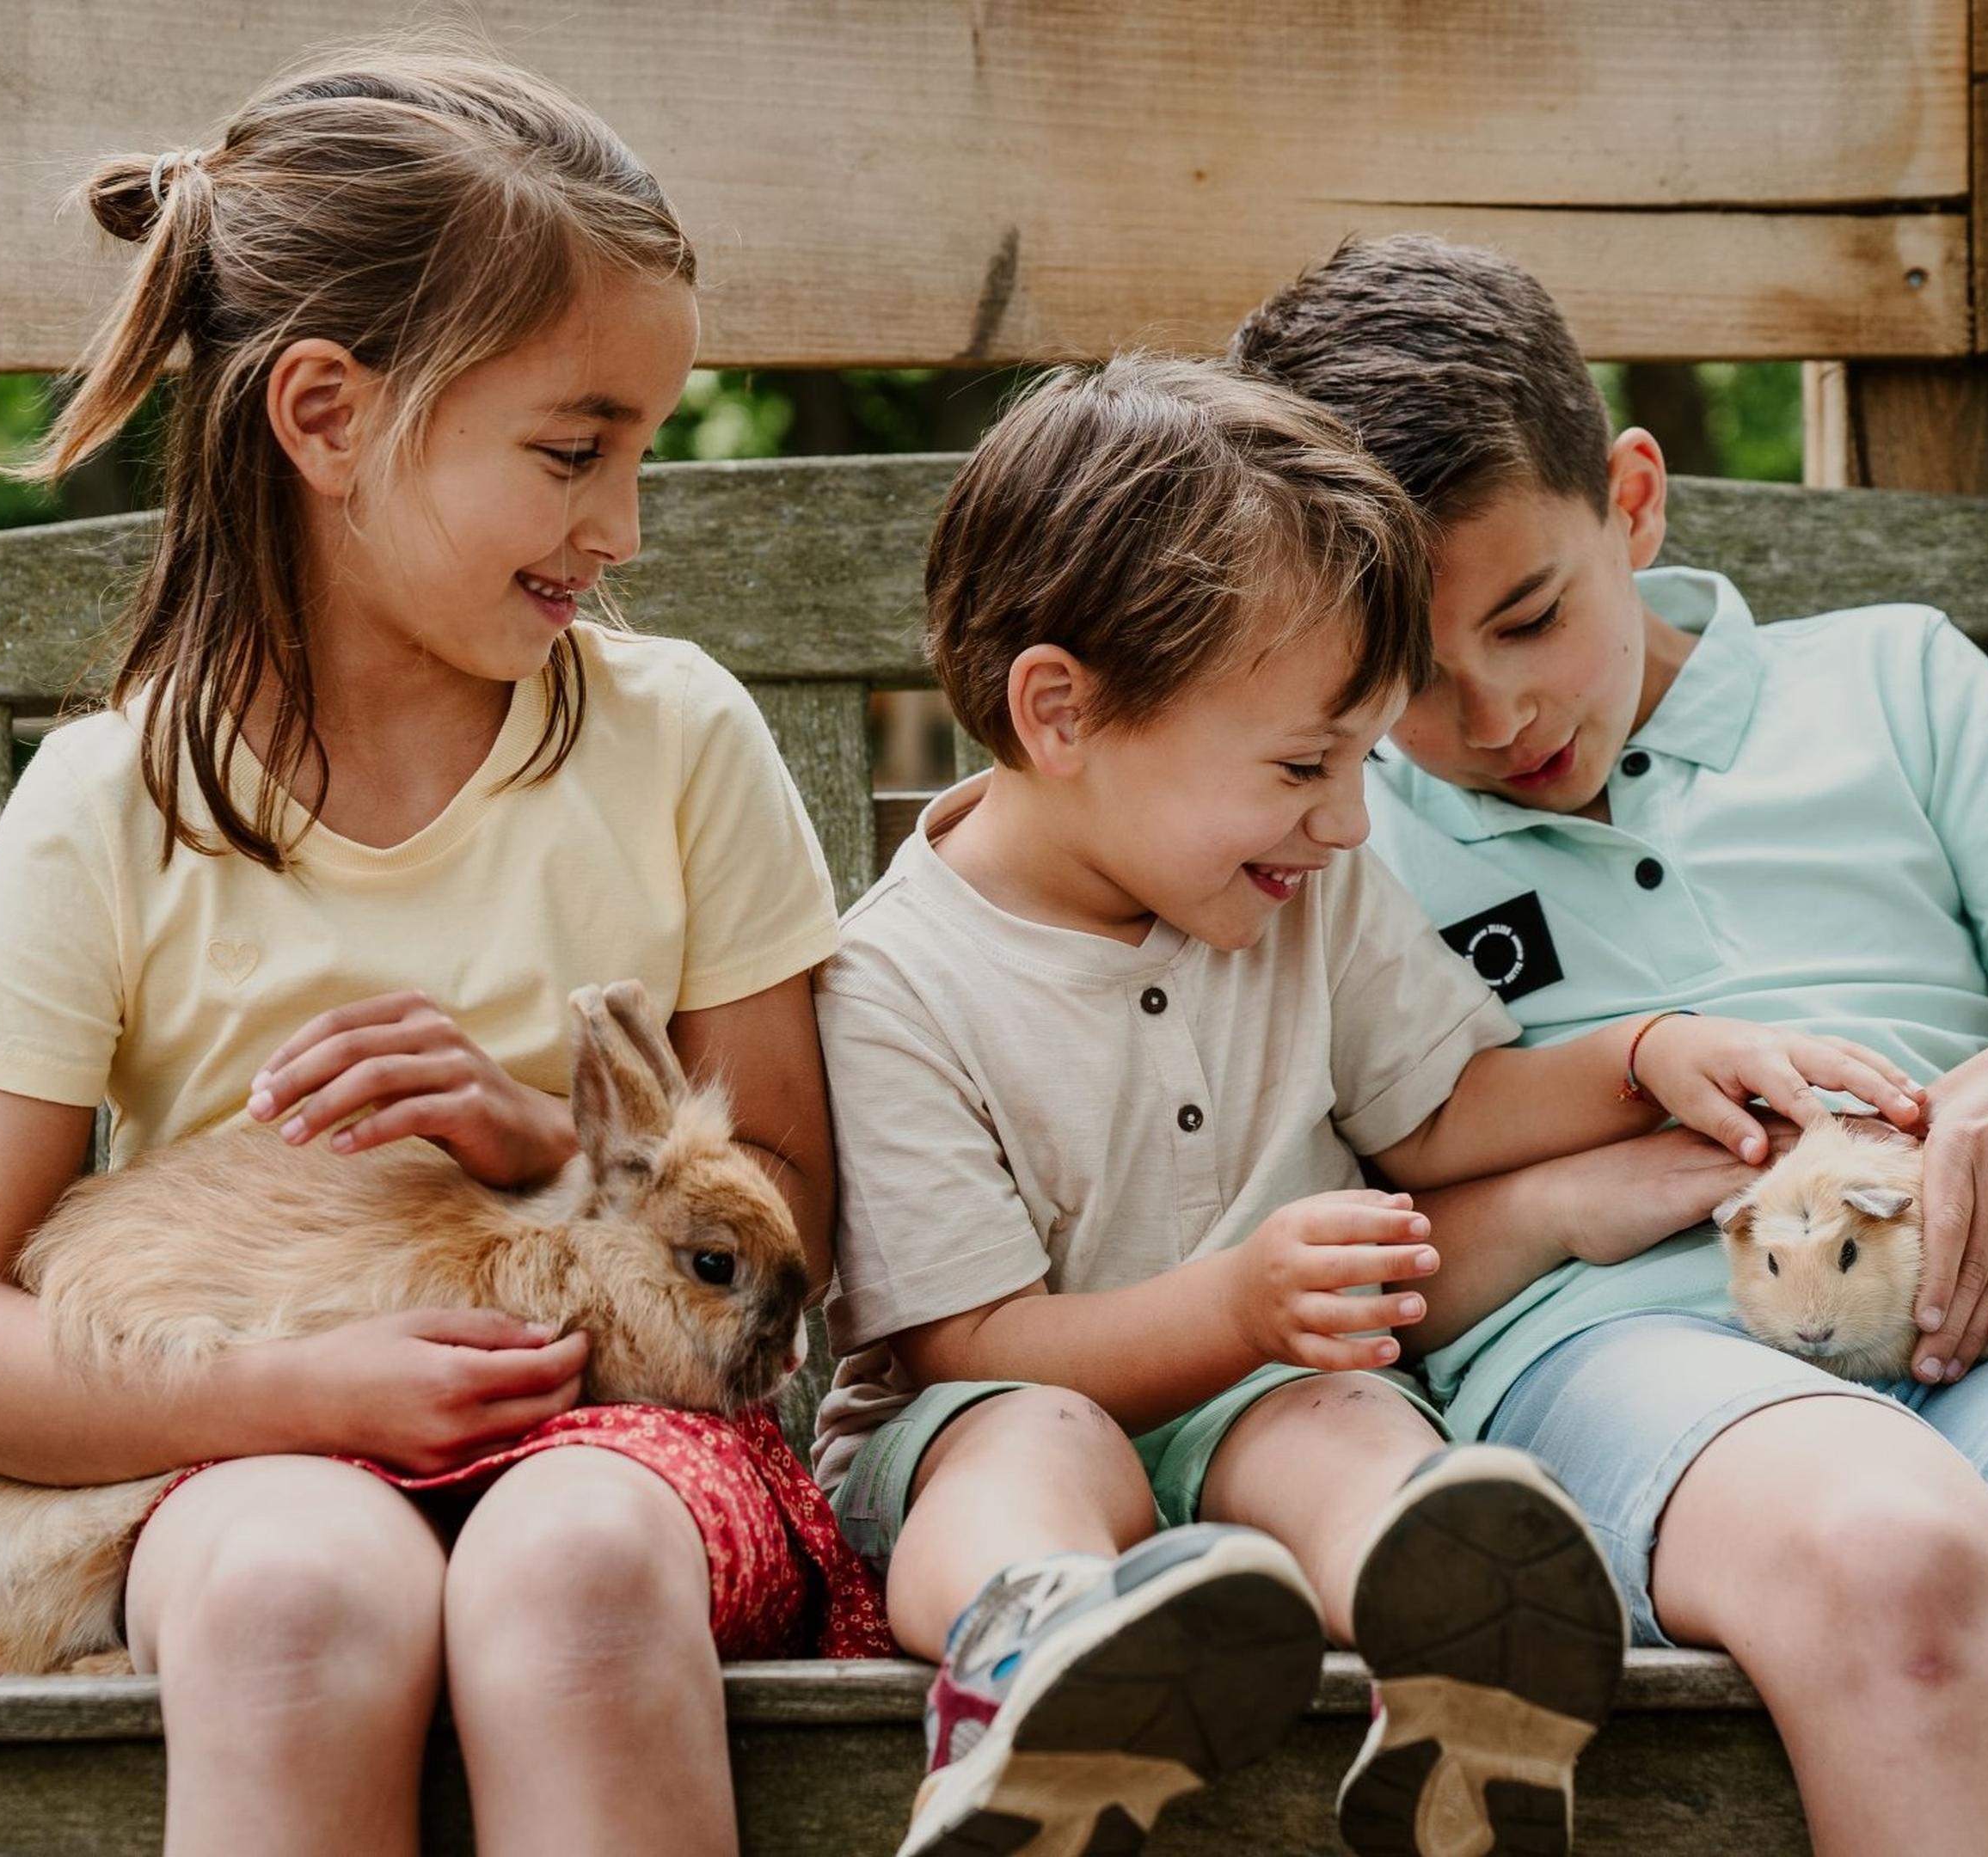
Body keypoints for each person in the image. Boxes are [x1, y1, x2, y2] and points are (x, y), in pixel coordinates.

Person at [1231, 235, 1988, 1853]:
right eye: (1412, 676)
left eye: (1533, 616)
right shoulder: (1323, 821)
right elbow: (1319, 1283)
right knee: (1901, 1570)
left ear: (1635, 502)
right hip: (1628, 1365)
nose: (1498, 716)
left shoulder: (1895, 684)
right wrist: (1565, 1201)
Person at [0, 42, 875, 1856]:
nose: (626, 525)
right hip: (245, 1446)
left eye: (640, 450)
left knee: (572, 1578)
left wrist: (545, 1146)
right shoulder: (109, 805)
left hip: (621, 1450)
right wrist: (307, 1394)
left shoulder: (678, 739)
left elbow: (794, 1215)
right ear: (328, 417)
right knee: (295, 1606)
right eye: (575, 452)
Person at [811, 354, 1924, 1856]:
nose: (1347, 820)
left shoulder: (1301, 887)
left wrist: (1639, 1052)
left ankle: (1468, 1689)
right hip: (980, 1422)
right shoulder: (896, 979)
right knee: (1036, 1447)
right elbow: (964, 1342)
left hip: (1273, 1392)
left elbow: (1442, 1105)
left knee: (1346, 1429)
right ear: (1061, 714)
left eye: (1356, 761)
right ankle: (1038, 1680)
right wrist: (1237, 1307)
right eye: (1299, 767)